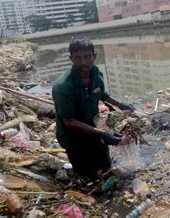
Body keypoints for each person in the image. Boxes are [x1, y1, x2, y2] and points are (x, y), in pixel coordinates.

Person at [52, 39, 135, 180]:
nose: (83, 62)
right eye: (78, 58)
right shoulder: (63, 87)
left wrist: (120, 105)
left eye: (87, 57)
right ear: (71, 58)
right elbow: (69, 121)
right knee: (88, 175)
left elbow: (101, 93)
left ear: (94, 56)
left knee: (106, 165)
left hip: (91, 127)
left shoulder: (96, 74)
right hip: (72, 137)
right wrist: (103, 134)